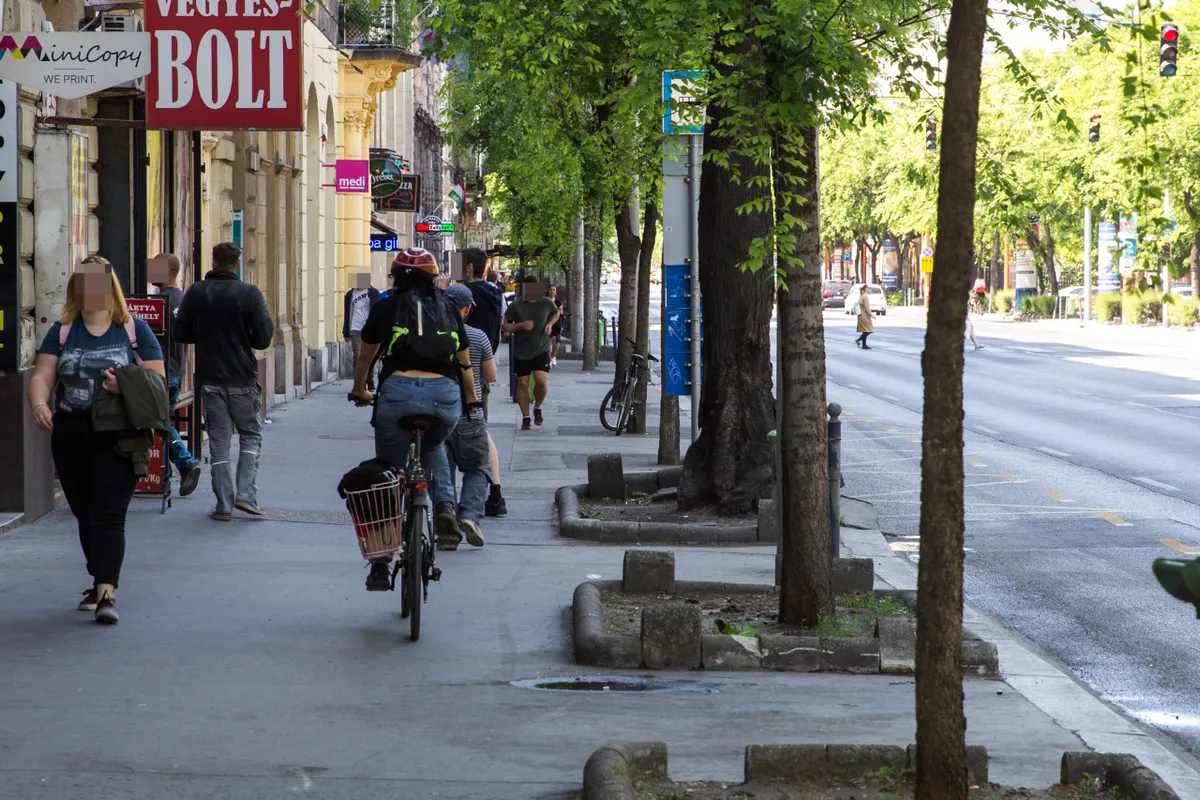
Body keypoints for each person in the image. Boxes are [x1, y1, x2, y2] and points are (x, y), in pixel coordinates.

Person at [28, 256, 167, 625]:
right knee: (84, 512)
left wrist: (124, 385)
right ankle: (99, 577)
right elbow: (43, 375)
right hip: (71, 433)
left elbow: (157, 381)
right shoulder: (62, 331)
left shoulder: (134, 330)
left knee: (108, 513)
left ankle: (106, 592)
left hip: (119, 435)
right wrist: (39, 404)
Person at [350, 248, 480, 589]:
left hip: (397, 392)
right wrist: (471, 399)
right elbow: (464, 362)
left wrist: (360, 389)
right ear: (432, 278)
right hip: (444, 395)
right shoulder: (449, 307)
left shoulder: (385, 306)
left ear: (396, 276)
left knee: (387, 474)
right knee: (433, 445)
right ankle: (445, 507)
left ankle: (380, 563)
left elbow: (366, 358)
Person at [175, 243, 275, 521]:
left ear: (214, 262)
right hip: (241, 377)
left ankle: (223, 505)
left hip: (209, 377)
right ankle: (246, 496)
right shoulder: (250, 293)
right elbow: (263, 339)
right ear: (237, 264)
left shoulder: (197, 291)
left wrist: (206, 334)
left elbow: (181, 333)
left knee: (219, 440)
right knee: (250, 434)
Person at [442, 284, 496, 549]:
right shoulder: (477, 336)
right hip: (468, 413)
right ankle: (470, 515)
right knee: (477, 467)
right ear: (466, 309)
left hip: (437, 413)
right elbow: (491, 375)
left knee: (443, 470)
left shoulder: (431, 335)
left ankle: (446, 525)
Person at [149, 252, 202, 497]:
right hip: (176, 371)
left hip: (161, 373)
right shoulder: (182, 298)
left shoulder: (161, 302)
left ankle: (185, 463)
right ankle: (167, 477)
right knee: (160, 420)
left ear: (167, 271)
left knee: (158, 421)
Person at [502, 276, 560, 430]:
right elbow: (505, 327)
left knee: (541, 380)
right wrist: (521, 325)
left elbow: (556, 313)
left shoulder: (546, 303)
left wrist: (550, 324)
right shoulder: (516, 305)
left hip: (541, 348)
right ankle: (526, 417)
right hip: (521, 350)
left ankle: (538, 407)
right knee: (523, 384)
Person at [343, 271, 381, 389]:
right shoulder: (350, 295)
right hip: (355, 329)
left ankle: (369, 380)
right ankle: (359, 384)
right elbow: (347, 313)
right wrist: (346, 331)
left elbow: (378, 312)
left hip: (370, 330)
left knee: (370, 357)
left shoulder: (374, 293)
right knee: (358, 357)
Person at [546, 284, 564, 367]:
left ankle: (553, 356)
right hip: (546, 322)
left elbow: (561, 312)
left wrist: (560, 311)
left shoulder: (558, 302)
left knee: (556, 342)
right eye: (551, 289)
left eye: (554, 290)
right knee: (548, 342)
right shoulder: (545, 300)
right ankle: (549, 359)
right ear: (548, 291)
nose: (552, 291)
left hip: (556, 324)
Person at [854, 284, 874, 349]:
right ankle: (858, 340)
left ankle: (864, 345)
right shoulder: (865, 297)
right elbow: (867, 307)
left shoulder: (862, 295)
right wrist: (870, 314)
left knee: (865, 330)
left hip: (861, 315)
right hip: (864, 315)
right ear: (866, 289)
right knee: (869, 329)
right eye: (869, 288)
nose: (870, 290)